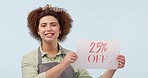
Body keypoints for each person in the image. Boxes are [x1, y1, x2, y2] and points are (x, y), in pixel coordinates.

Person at [21, 4, 126, 78]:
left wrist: (112, 68)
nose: (49, 29)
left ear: (60, 29)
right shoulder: (29, 58)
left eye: (53, 25)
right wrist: (63, 65)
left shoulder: (73, 58)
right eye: (44, 25)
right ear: (38, 31)